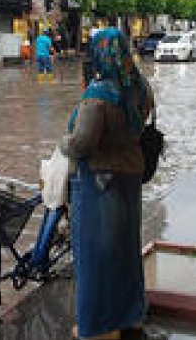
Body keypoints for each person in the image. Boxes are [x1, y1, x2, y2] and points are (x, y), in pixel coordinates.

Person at [62, 27, 153, 340]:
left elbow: (82, 144)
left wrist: (64, 144)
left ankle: (98, 327)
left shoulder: (98, 95)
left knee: (95, 257)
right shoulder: (138, 87)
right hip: (130, 179)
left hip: (99, 185)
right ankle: (130, 316)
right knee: (126, 252)